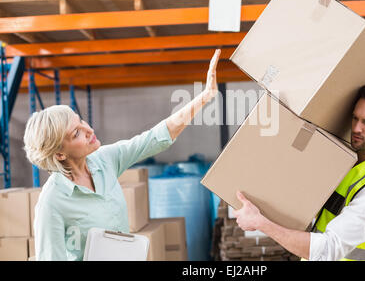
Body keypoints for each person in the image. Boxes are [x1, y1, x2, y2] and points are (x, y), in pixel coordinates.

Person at [23, 49, 222, 261]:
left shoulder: (104, 160)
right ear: (60, 154)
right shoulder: (52, 201)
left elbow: (155, 138)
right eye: (77, 133)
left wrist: (204, 97)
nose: (89, 130)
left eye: (80, 121)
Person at [234, 84, 365, 261]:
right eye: (355, 118)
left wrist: (260, 222)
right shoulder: (347, 164)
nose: (356, 129)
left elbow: (328, 250)